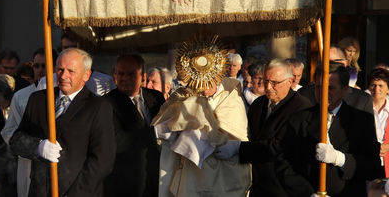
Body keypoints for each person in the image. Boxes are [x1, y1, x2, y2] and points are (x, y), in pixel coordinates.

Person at [152, 37, 251, 197]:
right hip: (190, 175)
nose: (202, 86)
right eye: (198, 81)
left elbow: (236, 133)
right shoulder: (181, 96)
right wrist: (179, 123)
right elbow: (161, 130)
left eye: (207, 81)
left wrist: (224, 141)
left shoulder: (231, 96)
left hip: (222, 176)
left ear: (217, 75)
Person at [9, 48, 116, 197]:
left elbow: (102, 160)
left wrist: (74, 194)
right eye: (60, 69)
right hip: (39, 190)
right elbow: (16, 140)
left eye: (71, 71)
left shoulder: (98, 107)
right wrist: (37, 147)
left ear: (86, 75)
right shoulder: (38, 99)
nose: (64, 76)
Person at [277, 62, 381, 197]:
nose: (324, 93)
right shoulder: (299, 119)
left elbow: (373, 167)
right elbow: (283, 163)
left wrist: (340, 159)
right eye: (319, 87)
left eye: (330, 88)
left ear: (344, 90)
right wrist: (307, 193)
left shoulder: (361, 121)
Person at [216, 58, 312, 196]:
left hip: (286, 188)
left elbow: (278, 146)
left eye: (274, 83)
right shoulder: (259, 104)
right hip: (259, 185)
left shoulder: (301, 107)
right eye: (266, 81)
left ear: (290, 82)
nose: (268, 87)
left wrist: (238, 148)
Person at [103, 54, 165, 197]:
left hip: (156, 180)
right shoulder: (106, 103)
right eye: (121, 73)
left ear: (143, 76)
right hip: (125, 184)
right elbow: (117, 141)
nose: (124, 78)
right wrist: (155, 133)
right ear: (114, 75)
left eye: (130, 74)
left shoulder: (156, 98)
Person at [1, 48, 55, 197]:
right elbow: (8, 131)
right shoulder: (21, 96)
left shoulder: (63, 95)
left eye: (45, 65)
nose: (40, 70)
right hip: (28, 161)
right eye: (36, 66)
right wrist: (31, 145)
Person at [298, 45, 373, 115]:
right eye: (321, 63)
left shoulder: (362, 101)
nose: (326, 67)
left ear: (345, 63)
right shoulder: (303, 95)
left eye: (331, 63)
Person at [367, 68, 389, 177]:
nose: (376, 89)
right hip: (367, 163)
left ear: (388, 89)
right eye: (373, 85)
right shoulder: (362, 108)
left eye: (381, 85)